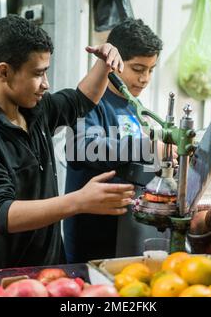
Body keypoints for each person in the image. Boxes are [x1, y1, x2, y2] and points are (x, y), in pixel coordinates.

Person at [0, 14, 135, 270]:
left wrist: (104, 63)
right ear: (4, 72)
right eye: (38, 74)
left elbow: (81, 100)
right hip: (2, 277)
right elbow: (1, 214)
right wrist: (79, 201)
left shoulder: (35, 110)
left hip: (49, 269)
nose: (46, 84)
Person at [64, 18, 172, 264]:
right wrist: (149, 148)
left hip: (124, 231)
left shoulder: (134, 106)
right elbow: (82, 148)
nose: (145, 78)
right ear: (115, 63)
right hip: (92, 236)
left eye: (151, 70)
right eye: (137, 69)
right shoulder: (92, 102)